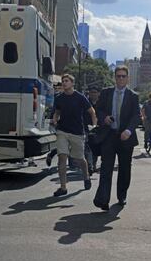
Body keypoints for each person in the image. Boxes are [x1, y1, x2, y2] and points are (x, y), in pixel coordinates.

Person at [93, 65, 141, 211]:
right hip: (109, 135)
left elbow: (136, 116)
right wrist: (104, 118)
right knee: (106, 168)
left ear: (128, 78)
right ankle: (103, 200)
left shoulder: (133, 96)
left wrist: (129, 130)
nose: (120, 79)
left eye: (123, 76)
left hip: (125, 137)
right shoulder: (106, 93)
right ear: (115, 78)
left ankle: (122, 195)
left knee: (124, 169)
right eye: (118, 76)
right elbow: (98, 109)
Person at [52, 74, 97, 197]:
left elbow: (92, 112)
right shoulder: (59, 98)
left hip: (77, 132)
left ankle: (86, 176)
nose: (64, 83)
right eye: (63, 81)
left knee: (79, 159)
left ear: (72, 83)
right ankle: (63, 187)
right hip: (62, 131)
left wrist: (94, 125)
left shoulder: (80, 97)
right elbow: (57, 112)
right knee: (62, 157)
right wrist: (55, 119)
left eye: (66, 81)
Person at [84, 86, 101, 172]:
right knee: (88, 147)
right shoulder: (85, 102)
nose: (93, 94)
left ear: (98, 93)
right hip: (87, 127)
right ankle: (90, 165)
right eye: (91, 92)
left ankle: (93, 164)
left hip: (99, 128)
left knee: (96, 147)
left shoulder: (101, 103)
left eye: (95, 92)